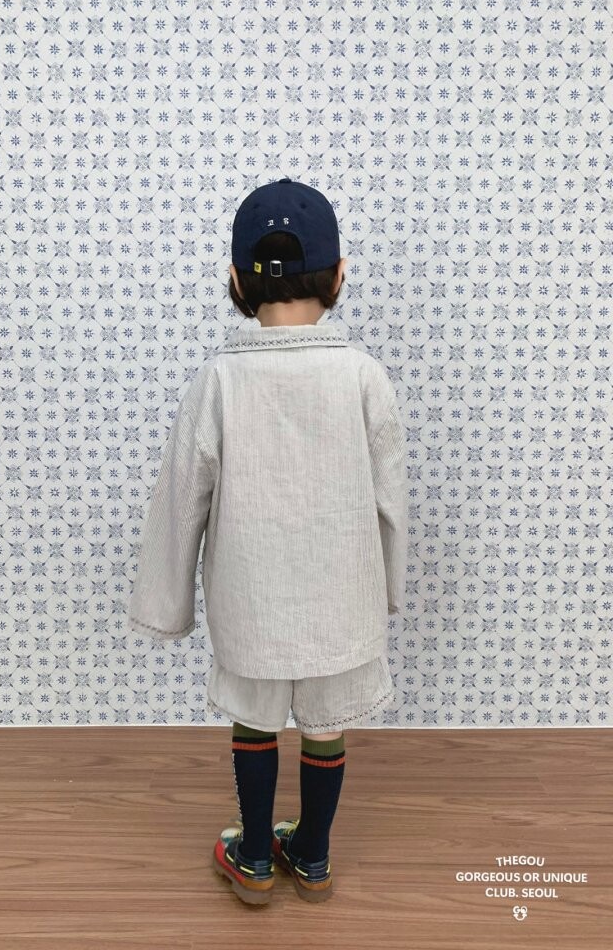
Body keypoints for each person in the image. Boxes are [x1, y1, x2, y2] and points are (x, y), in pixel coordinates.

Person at [128, 178, 408, 906]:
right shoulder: (365, 377)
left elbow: (181, 499)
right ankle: (312, 855)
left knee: (253, 721)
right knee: (327, 727)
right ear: (339, 275)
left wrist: (165, 604)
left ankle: (253, 855)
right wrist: (388, 590)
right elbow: (391, 502)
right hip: (342, 598)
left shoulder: (219, 380)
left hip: (250, 597)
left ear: (236, 280)